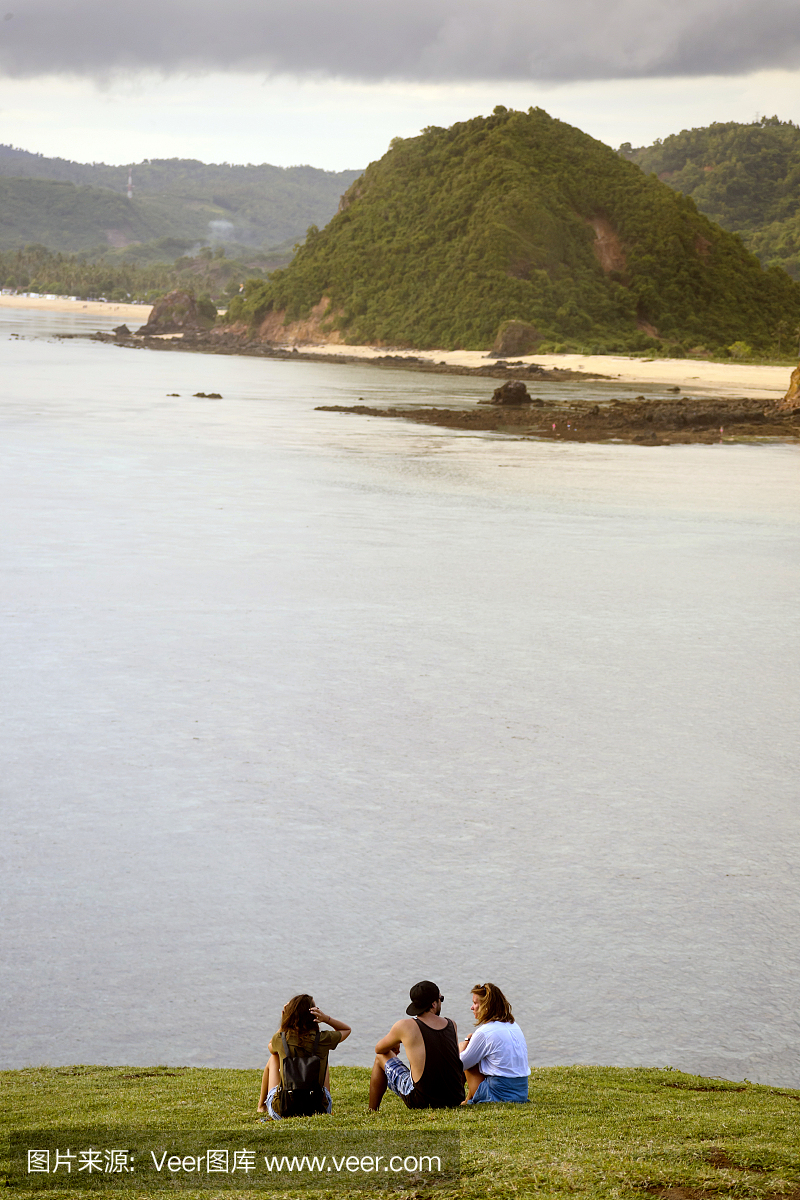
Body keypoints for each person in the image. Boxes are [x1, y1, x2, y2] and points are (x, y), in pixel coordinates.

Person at [369, 980, 465, 1110]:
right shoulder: (451, 1024)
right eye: (440, 999)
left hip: (421, 1100)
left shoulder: (404, 1026)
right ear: (434, 1004)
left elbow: (379, 1048)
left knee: (381, 1057)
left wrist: (397, 1040)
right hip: (454, 1098)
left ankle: (372, 1110)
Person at [257, 994, 351, 1120]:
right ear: (313, 1014)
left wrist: (285, 1021)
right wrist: (325, 1018)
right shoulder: (323, 1039)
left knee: (274, 1057)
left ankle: (261, 1106)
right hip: (318, 1110)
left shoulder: (282, 1038)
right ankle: (318, 1100)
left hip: (283, 1111)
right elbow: (346, 1030)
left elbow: (270, 1047)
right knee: (322, 1058)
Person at [458, 982, 530, 1104]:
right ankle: (466, 1099)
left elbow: (460, 1065)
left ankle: (464, 1098)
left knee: (467, 1047)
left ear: (486, 1006)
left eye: (475, 1003)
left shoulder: (485, 1032)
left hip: (499, 1095)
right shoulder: (514, 1026)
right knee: (472, 1041)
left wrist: (462, 1047)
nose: (472, 1007)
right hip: (521, 1093)